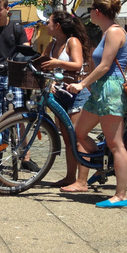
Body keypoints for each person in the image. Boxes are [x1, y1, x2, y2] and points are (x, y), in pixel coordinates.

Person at [65, 0, 127, 207]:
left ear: (98, 12)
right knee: (79, 132)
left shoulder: (113, 32)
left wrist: (81, 84)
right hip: (100, 90)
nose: (90, 13)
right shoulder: (110, 31)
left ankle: (121, 195)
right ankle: (103, 163)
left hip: (111, 89)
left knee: (116, 144)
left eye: (91, 9)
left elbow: (105, 65)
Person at [39, 11, 91, 188]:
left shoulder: (72, 41)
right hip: (61, 94)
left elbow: (77, 64)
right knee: (68, 139)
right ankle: (70, 177)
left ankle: (82, 181)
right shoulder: (52, 45)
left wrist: (56, 63)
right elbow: (44, 65)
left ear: (58, 26)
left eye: (49, 22)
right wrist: (49, 78)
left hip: (76, 94)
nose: (47, 24)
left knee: (78, 137)